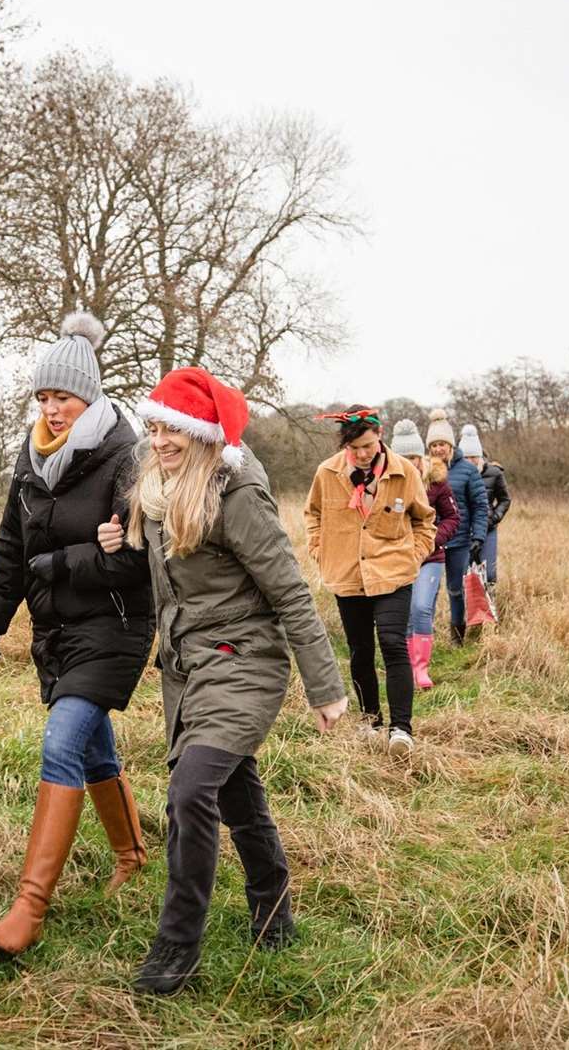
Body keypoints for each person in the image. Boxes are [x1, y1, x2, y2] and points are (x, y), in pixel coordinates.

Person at [103, 366, 347, 996]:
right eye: (153, 428)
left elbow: (290, 592)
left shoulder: (236, 496)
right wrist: (122, 547)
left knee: (189, 792)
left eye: (172, 431)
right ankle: (273, 907)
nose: (158, 441)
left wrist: (325, 686)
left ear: (204, 436)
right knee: (233, 788)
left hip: (244, 659)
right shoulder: (157, 493)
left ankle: (177, 945)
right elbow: (176, 578)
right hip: (187, 669)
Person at [0, 313, 155, 959]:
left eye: (63, 397)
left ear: (91, 397)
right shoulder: (31, 454)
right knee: (94, 749)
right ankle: (131, 856)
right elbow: (14, 544)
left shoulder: (127, 455)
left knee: (62, 742)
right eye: (43, 397)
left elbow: (139, 557)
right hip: (56, 629)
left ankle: (28, 909)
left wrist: (61, 564)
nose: (51, 409)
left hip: (115, 622)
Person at [302, 408, 436, 756]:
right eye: (354, 447)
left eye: (367, 445)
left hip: (393, 573)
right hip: (346, 574)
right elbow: (312, 514)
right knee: (360, 649)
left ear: (379, 436)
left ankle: (401, 730)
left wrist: (415, 554)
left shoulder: (404, 472)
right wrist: (319, 548)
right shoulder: (327, 472)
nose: (361, 454)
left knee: (393, 643)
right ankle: (370, 720)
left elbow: (425, 520)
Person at [395, 419, 458, 689]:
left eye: (414, 457)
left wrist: (433, 540)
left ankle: (422, 669)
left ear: (421, 456)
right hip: (400, 557)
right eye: (403, 458)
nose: (411, 463)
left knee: (421, 607)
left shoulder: (436, 482)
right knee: (406, 613)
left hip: (431, 557)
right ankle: (407, 667)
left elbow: (453, 518)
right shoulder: (391, 483)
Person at [425, 410, 488, 645]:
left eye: (442, 444)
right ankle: (424, 633)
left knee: (455, 588)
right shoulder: (425, 470)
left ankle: (457, 635)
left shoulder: (468, 470)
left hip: (459, 540)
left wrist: (478, 536)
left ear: (450, 445)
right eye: (434, 445)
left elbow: (480, 505)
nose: (438, 449)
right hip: (430, 540)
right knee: (428, 589)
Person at [458, 423, 510, 600]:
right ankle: (470, 612)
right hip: (464, 531)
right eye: (466, 457)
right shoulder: (456, 475)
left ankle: (490, 607)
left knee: (489, 574)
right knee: (465, 573)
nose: (470, 460)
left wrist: (494, 518)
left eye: (473, 456)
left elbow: (505, 499)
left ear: (479, 456)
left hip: (488, 529)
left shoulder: (494, 473)